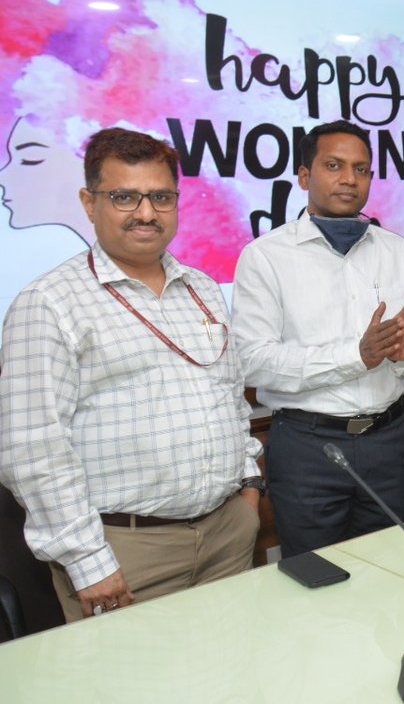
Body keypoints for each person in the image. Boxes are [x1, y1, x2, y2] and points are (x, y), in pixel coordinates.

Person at [0, 127, 263, 622]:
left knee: (233, 677)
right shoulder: (49, 304)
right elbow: (31, 450)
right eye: (124, 197)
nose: (146, 213)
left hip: (227, 536)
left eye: (161, 197)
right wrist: (89, 562)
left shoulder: (202, 289)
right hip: (126, 553)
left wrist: (248, 490)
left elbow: (231, 400)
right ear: (88, 201)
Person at [231, 120, 404, 558]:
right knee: (317, 582)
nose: (349, 179)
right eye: (334, 166)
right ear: (305, 176)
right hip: (309, 450)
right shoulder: (265, 257)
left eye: (361, 169)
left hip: (388, 441)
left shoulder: (395, 250)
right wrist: (356, 356)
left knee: (394, 572)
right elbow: (253, 361)